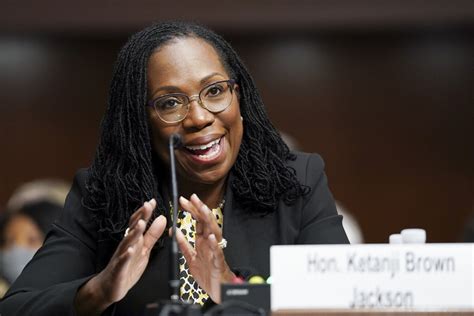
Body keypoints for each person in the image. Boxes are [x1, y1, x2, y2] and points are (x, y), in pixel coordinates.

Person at [0, 22, 348, 315]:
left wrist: (232, 289)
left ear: (239, 96)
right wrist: (99, 290)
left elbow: (345, 301)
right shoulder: (101, 194)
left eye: (214, 91)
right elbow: (16, 307)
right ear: (141, 121)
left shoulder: (297, 179)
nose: (198, 118)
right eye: (170, 103)